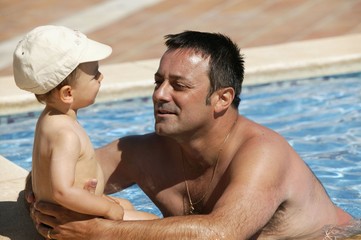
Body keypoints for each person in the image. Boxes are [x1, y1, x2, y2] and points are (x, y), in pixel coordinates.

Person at [26, 30, 356, 239]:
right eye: (159, 81)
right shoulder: (143, 153)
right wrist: (43, 206)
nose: (159, 95)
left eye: (179, 86)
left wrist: (101, 230)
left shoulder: (263, 153)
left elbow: (222, 234)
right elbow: (55, 175)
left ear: (222, 99)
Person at [13, 25, 158, 236]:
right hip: (71, 221)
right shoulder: (66, 134)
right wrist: (107, 209)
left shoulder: (49, 119)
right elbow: (62, 191)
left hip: (73, 208)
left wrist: (98, 201)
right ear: (68, 93)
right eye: (95, 75)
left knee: (125, 204)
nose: (101, 78)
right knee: (152, 223)